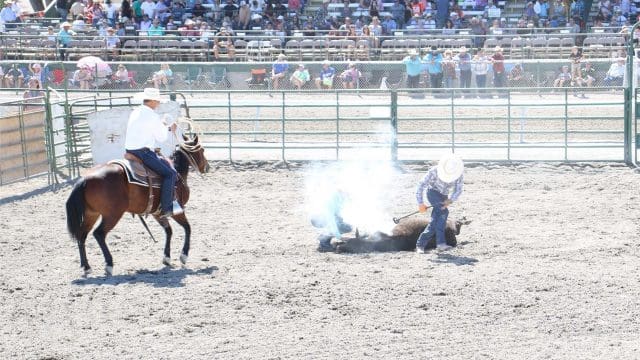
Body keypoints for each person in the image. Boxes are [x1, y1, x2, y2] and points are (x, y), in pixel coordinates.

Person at [125, 88, 180, 219]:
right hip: (143, 153)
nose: (159, 104)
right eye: (158, 101)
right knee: (170, 173)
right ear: (153, 101)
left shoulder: (136, 111)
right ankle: (167, 208)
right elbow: (162, 138)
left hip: (130, 150)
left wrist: (161, 125)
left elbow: (147, 129)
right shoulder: (152, 116)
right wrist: (168, 127)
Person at [415, 152, 464, 252]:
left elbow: (458, 190)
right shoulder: (433, 171)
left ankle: (421, 244)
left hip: (444, 196)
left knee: (436, 220)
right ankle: (440, 244)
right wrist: (420, 203)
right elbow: (421, 185)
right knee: (443, 213)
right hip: (432, 192)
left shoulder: (458, 174)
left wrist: (450, 200)